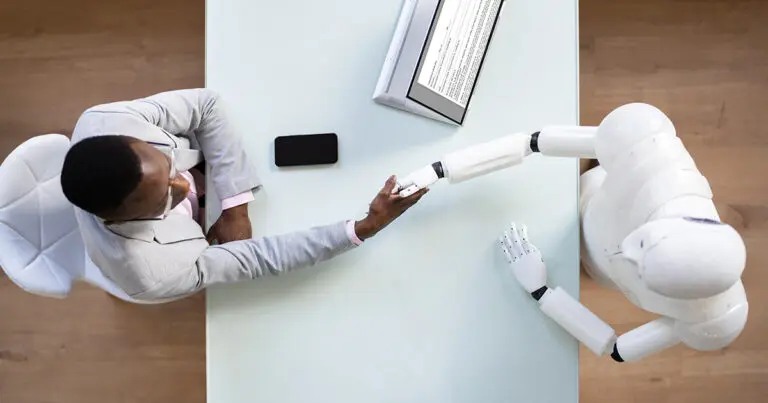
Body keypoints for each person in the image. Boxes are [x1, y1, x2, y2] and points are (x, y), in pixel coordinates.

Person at [61, 88, 427, 303]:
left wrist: (236, 208)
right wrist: (363, 228)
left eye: (169, 165)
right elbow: (256, 260)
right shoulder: (150, 273)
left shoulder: (104, 121)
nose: (184, 185)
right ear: (118, 219)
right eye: (165, 200)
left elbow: (205, 105)